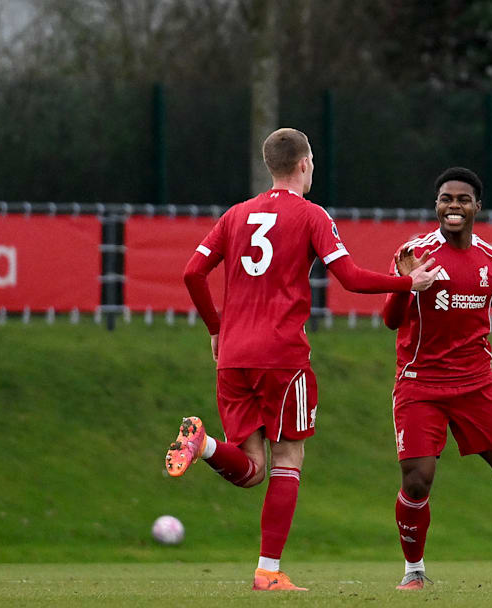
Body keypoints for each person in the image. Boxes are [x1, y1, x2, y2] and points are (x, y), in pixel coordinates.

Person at [165, 127, 441, 591]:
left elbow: (192, 272)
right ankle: (268, 572)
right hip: (283, 357)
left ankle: (205, 445)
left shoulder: (236, 215)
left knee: (251, 469)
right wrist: (406, 284)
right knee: (287, 458)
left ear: (270, 164)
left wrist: (216, 328)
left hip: (234, 356)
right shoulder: (313, 216)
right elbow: (350, 278)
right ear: (305, 165)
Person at [382, 167, 492, 590]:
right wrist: (406, 283)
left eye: (463, 199)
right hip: (420, 383)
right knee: (417, 479)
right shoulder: (414, 252)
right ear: (437, 205)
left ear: (477, 206)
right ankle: (414, 571)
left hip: (477, 384)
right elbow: (390, 320)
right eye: (446, 199)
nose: (454, 206)